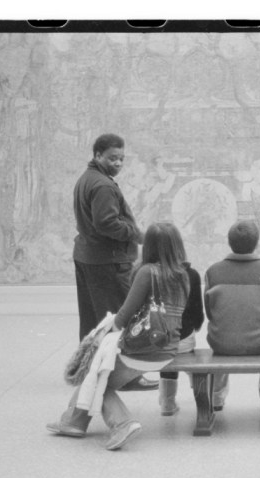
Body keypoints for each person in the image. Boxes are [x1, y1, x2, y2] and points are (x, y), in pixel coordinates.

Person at [48, 222, 192, 450]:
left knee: (96, 379)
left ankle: (122, 423)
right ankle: (73, 421)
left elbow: (125, 314)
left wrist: (105, 330)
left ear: (150, 246)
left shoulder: (146, 272)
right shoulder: (183, 274)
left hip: (141, 349)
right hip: (167, 347)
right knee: (97, 371)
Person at [71, 133, 156, 392]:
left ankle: (88, 370)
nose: (118, 163)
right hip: (108, 262)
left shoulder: (87, 179)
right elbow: (106, 223)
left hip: (88, 256)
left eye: (121, 158)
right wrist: (137, 234)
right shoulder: (103, 186)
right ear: (97, 156)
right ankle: (126, 377)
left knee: (93, 321)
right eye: (112, 158)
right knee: (120, 319)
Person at [203, 220, 260, 411]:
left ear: (229, 242)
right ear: (256, 243)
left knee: (223, 326)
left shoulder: (213, 271)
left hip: (221, 343)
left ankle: (216, 399)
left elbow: (210, 311)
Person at [157, 255, 204, 416]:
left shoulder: (149, 273)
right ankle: (195, 381)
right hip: (184, 339)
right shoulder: (191, 274)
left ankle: (167, 402)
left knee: (167, 356)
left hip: (157, 340)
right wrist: (196, 325)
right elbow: (197, 310)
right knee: (187, 352)